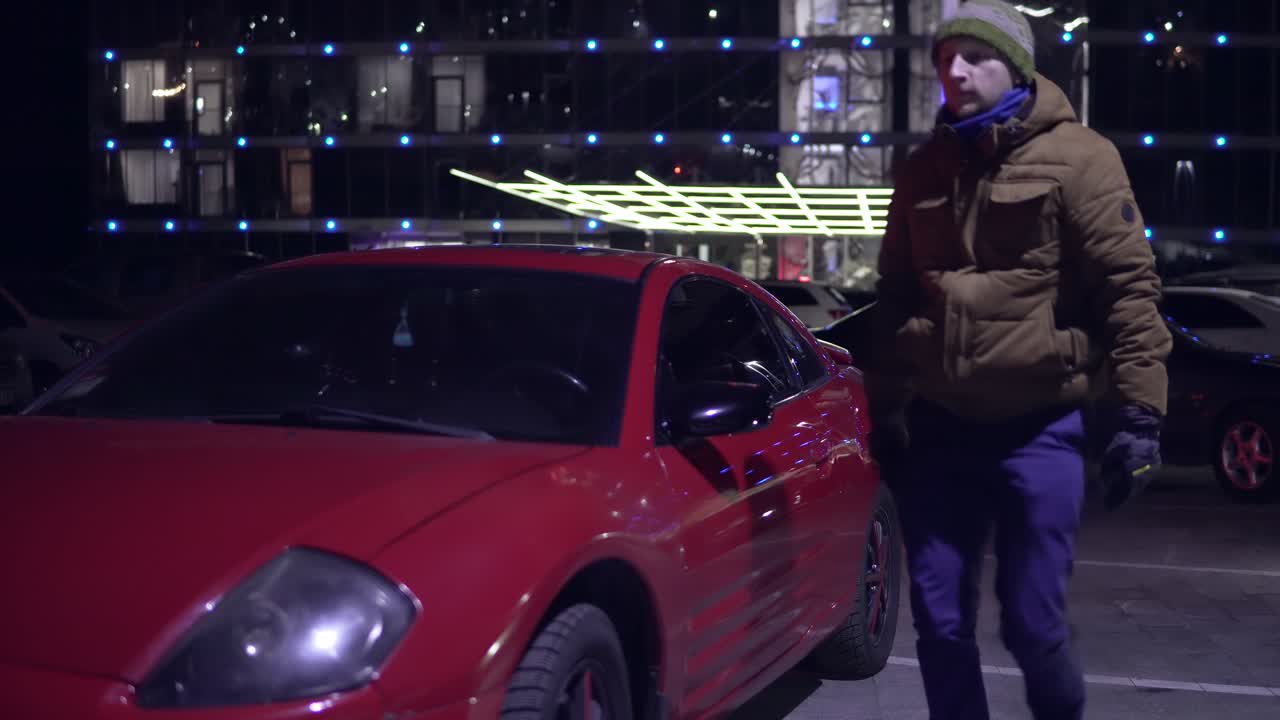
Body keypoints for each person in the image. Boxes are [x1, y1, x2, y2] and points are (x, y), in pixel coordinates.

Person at [862, 1, 1171, 719]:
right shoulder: (922, 169)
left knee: (1033, 624)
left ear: (1018, 67)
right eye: (944, 60)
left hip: (1041, 426)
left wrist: (1140, 414)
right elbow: (894, 294)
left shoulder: (1083, 159)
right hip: (942, 431)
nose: (955, 72)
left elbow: (1129, 289)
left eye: (973, 56)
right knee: (939, 623)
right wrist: (885, 410)